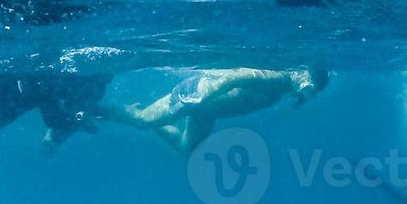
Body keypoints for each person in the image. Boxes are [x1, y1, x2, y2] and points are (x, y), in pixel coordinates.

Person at [109, 66, 327, 154]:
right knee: (142, 121)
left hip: (207, 111)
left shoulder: (282, 90)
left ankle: (153, 120)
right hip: (195, 95)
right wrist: (203, 96)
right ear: (302, 72)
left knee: (187, 148)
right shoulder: (276, 78)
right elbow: (234, 77)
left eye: (314, 88)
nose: (308, 89)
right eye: (310, 82)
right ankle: (96, 109)